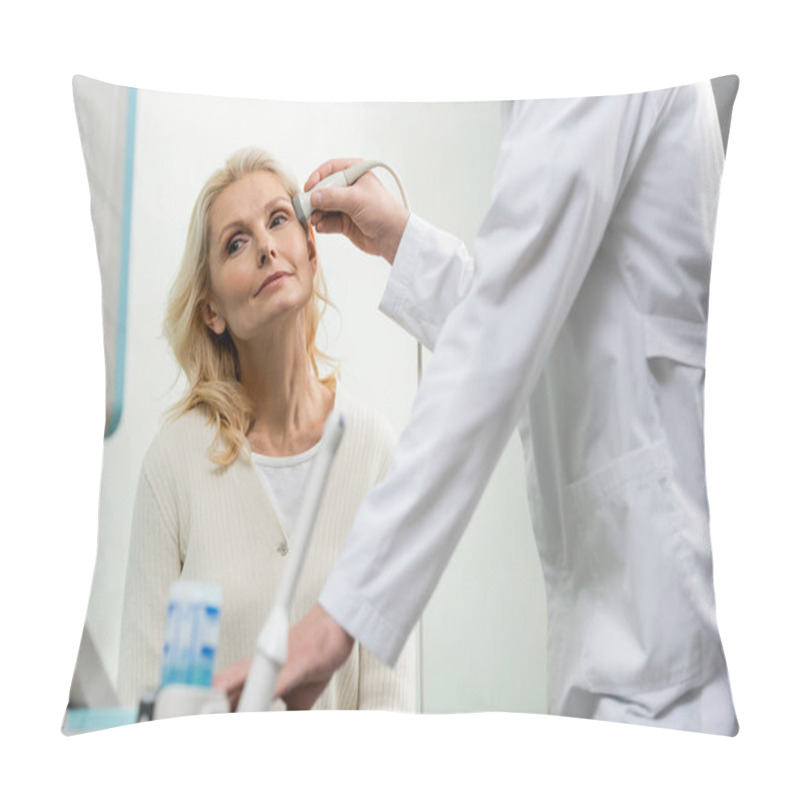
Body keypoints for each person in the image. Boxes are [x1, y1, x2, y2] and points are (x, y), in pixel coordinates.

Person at [261, 81, 739, 733]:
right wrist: (403, 241)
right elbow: (533, 318)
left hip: (661, 634)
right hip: (622, 618)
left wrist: (341, 615)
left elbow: (504, 327)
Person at [117, 148, 416, 713]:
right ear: (211, 311)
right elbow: (138, 699)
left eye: (279, 219)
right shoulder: (174, 464)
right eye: (236, 242)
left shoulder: (373, 449)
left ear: (310, 249)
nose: (265, 247)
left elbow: (390, 704)